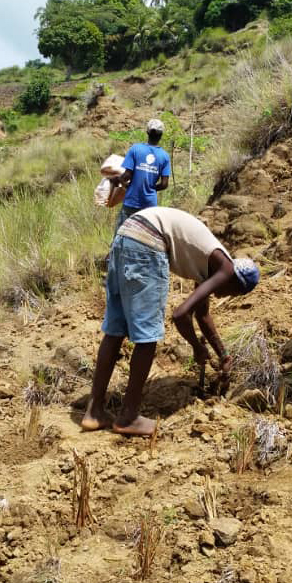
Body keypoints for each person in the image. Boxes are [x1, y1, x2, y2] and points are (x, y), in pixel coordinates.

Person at [83, 207, 260, 436]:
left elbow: (202, 314)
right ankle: (128, 417)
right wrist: (197, 347)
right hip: (148, 242)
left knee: (115, 331)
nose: (222, 296)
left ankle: (94, 411)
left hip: (126, 235)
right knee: (148, 337)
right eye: (231, 294)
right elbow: (180, 314)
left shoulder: (214, 263)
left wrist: (223, 355)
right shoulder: (225, 269)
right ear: (237, 284)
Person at [110, 119, 172, 231]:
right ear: (161, 135)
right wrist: (151, 188)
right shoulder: (165, 156)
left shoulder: (136, 149)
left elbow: (127, 175)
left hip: (131, 201)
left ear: (147, 132)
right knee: (145, 236)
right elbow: (164, 184)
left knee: (122, 234)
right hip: (149, 204)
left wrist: (117, 180)